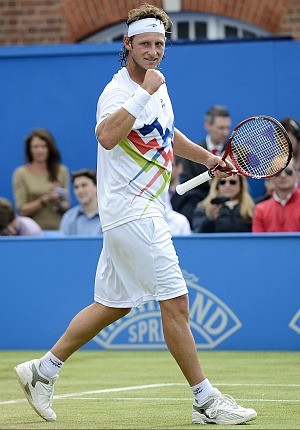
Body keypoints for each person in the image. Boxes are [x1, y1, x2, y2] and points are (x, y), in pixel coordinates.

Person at [14, 4, 257, 426]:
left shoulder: (157, 87)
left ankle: (43, 371)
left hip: (142, 211)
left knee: (113, 304)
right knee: (176, 302)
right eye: (145, 44)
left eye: (159, 44)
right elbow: (108, 136)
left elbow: (165, 133)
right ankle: (205, 400)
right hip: (132, 213)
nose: (153, 52)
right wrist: (144, 91)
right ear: (127, 45)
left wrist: (207, 159)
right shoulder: (116, 92)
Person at [179, 105, 231, 228]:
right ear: (208, 125)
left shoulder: (236, 152)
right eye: (221, 128)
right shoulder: (193, 152)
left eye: (227, 128)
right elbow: (188, 184)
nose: (225, 132)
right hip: (199, 205)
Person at [13, 128, 70, 231]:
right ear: (29, 150)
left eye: (44, 146)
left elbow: (66, 206)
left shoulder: (61, 171)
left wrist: (57, 201)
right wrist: (45, 199)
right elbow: (22, 210)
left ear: (50, 148)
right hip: (31, 232)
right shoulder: (21, 173)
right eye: (35, 147)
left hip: (57, 231)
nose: (40, 150)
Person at [252, 158, 300, 232]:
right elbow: (258, 242)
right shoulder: (260, 209)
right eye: (278, 173)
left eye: (288, 172)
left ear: (296, 174)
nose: (283, 175)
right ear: (271, 177)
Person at [60, 169, 102, 235]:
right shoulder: (68, 217)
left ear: (96, 186)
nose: (80, 190)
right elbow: (64, 244)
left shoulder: (108, 216)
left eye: (84, 185)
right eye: (76, 187)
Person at [280, 117, 300, 186]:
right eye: (281, 144)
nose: (285, 147)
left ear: (297, 138)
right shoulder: (276, 165)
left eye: (288, 142)